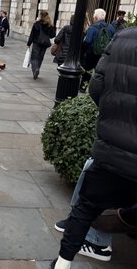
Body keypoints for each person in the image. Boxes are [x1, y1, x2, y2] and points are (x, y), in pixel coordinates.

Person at [50, 26, 137, 269]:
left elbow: (96, 89)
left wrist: (113, 117)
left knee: (86, 207)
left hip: (113, 148)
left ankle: (63, 263)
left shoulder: (123, 37)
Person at [79, 8, 115, 92]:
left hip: (91, 54)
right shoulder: (110, 27)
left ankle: (83, 87)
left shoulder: (92, 27)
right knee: (100, 73)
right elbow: (113, 40)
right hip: (104, 55)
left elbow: (87, 41)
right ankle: (98, 89)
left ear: (95, 17)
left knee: (87, 71)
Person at [27, 10, 56, 79]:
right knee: (40, 57)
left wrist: (29, 43)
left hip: (36, 43)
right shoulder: (49, 25)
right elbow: (52, 35)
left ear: (40, 16)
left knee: (34, 57)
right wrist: (53, 27)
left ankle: (35, 69)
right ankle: (38, 68)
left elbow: (32, 34)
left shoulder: (37, 24)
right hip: (45, 44)